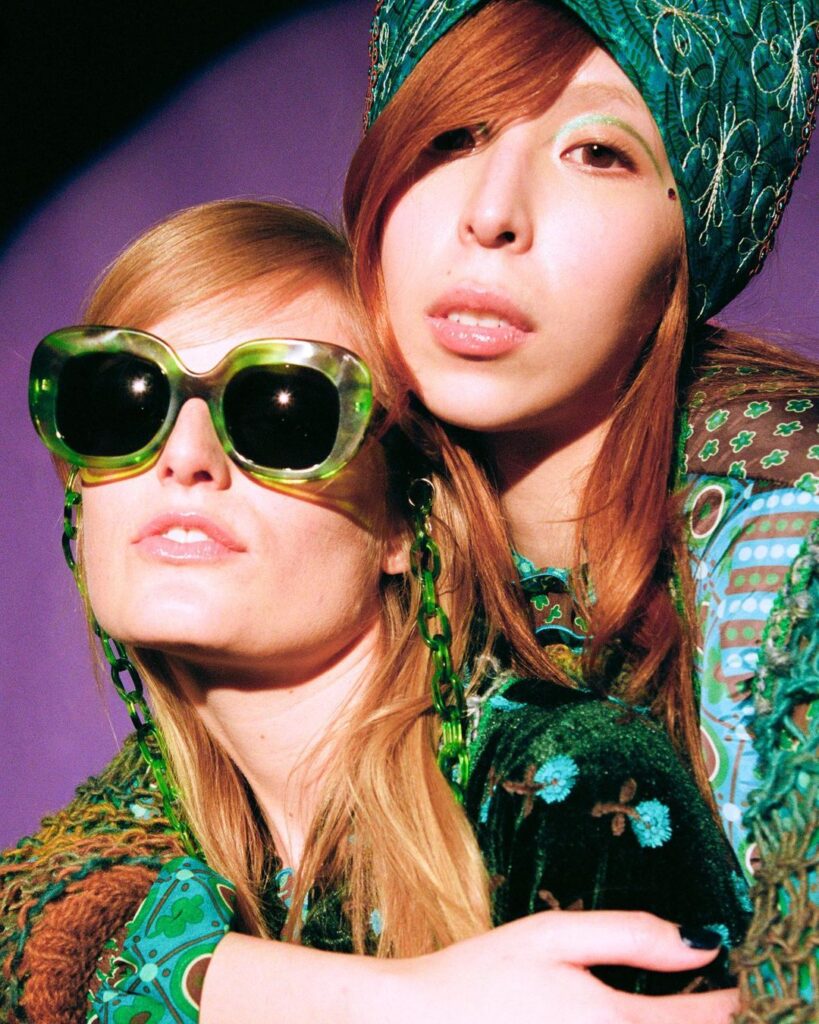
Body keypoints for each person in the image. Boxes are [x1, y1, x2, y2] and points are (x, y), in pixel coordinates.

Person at [0, 199, 748, 1024]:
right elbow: (30, 941)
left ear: (400, 518)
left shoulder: (570, 784)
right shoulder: (141, 819)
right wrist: (394, 1002)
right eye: (123, 400)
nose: (185, 458)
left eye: (284, 413)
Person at [342, 0, 819, 1018]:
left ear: (687, 245)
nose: (491, 212)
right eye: (452, 135)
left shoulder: (789, 531)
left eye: (597, 152)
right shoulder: (349, 491)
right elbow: (64, 911)